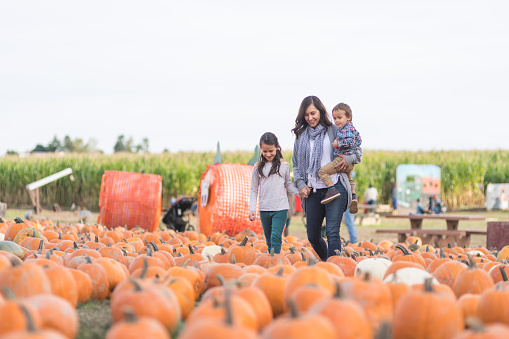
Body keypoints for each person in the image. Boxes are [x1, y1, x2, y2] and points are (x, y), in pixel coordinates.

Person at [292, 96, 362, 261]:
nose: (310, 118)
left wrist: (348, 159)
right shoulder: (301, 135)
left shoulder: (334, 129)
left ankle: (334, 268)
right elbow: (295, 164)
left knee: (332, 232)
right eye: (306, 115)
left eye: (313, 113)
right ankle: (328, 263)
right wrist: (301, 185)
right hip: (313, 190)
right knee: (313, 236)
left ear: (320, 111)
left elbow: (357, 151)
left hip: (335, 186)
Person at [249, 132, 299, 254]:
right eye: (264, 151)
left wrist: (300, 192)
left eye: (271, 150)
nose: (268, 154)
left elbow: (288, 184)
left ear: (277, 147)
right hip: (264, 208)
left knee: (275, 236)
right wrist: (252, 209)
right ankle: (270, 261)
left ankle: (274, 259)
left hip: (280, 208)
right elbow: (254, 189)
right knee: (269, 240)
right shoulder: (258, 167)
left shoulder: (284, 165)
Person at [317, 103, 362, 214]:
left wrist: (338, 144)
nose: (336, 121)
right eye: (335, 118)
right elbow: (358, 140)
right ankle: (353, 195)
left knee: (322, 172)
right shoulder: (349, 128)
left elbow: (350, 141)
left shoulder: (347, 129)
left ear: (348, 117)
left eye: (339, 118)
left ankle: (332, 190)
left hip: (341, 159)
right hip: (348, 163)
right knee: (349, 178)